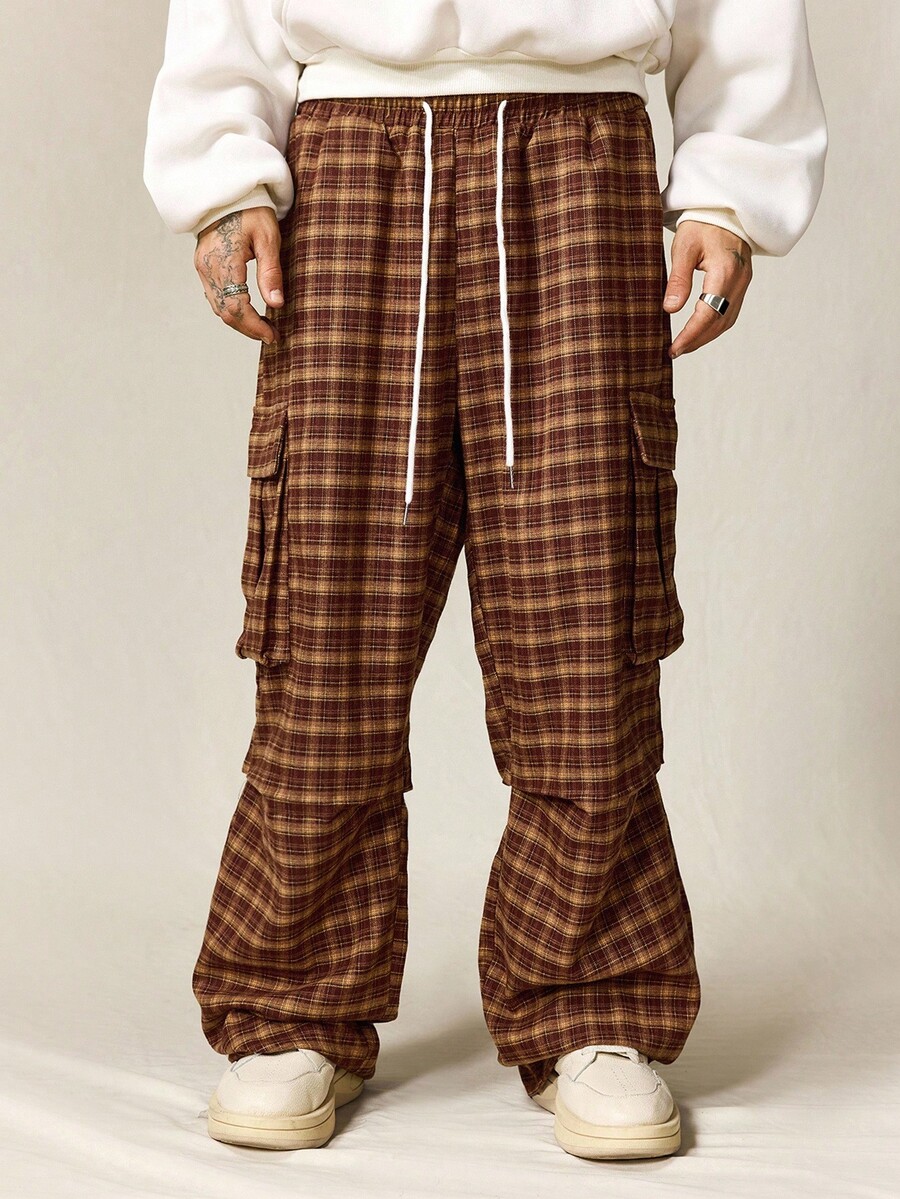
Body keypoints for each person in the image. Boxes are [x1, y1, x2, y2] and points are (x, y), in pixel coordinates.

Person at [143, 0, 827, 1161]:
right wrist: (222, 175)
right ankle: (295, 999)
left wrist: (730, 189)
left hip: (583, 155)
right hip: (351, 159)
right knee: (330, 614)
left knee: (586, 612)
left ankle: (595, 999)